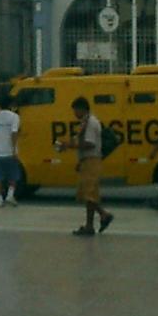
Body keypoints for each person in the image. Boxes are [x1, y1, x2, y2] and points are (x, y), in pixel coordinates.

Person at [56, 96, 114, 236]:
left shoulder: (91, 123)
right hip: (87, 161)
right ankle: (96, 220)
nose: (75, 113)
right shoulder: (85, 122)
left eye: (76, 110)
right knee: (88, 194)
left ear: (82, 108)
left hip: (91, 161)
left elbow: (90, 143)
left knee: (89, 194)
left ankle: (100, 217)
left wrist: (70, 146)